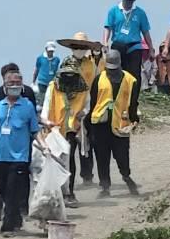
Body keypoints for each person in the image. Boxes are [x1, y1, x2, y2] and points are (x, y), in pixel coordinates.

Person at [0, 69, 43, 237]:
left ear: (22, 86)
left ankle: (7, 226)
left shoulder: (27, 106)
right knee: (2, 190)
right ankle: (16, 219)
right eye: (10, 84)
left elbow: (35, 130)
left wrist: (44, 146)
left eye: (17, 83)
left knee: (13, 189)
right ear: (4, 86)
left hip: (20, 157)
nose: (14, 86)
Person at [41, 34, 101, 207]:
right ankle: (55, 193)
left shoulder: (83, 89)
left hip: (73, 128)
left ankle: (69, 192)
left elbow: (87, 105)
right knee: (54, 160)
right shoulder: (54, 87)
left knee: (70, 160)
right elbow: (46, 106)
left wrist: (83, 113)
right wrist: (46, 121)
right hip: (54, 128)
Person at [88, 49, 140, 197]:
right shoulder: (99, 79)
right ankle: (104, 186)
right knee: (102, 156)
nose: (111, 72)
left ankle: (126, 177)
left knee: (122, 154)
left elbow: (133, 103)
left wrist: (134, 119)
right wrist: (88, 126)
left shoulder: (131, 81)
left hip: (121, 123)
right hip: (100, 124)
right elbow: (93, 102)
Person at [102, 0, 155, 87]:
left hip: (134, 46)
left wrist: (151, 48)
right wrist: (105, 42)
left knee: (134, 74)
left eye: (131, 0)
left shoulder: (140, 13)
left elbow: (146, 32)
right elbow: (107, 27)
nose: (129, 2)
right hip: (118, 45)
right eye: (127, 0)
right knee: (115, 71)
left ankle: (133, 100)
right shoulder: (113, 11)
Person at [32, 42, 61, 107]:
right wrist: (33, 81)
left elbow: (58, 71)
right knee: (43, 100)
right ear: (46, 49)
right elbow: (36, 70)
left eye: (52, 51)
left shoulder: (56, 59)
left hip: (52, 83)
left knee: (52, 101)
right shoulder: (40, 58)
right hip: (42, 82)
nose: (50, 53)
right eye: (49, 51)